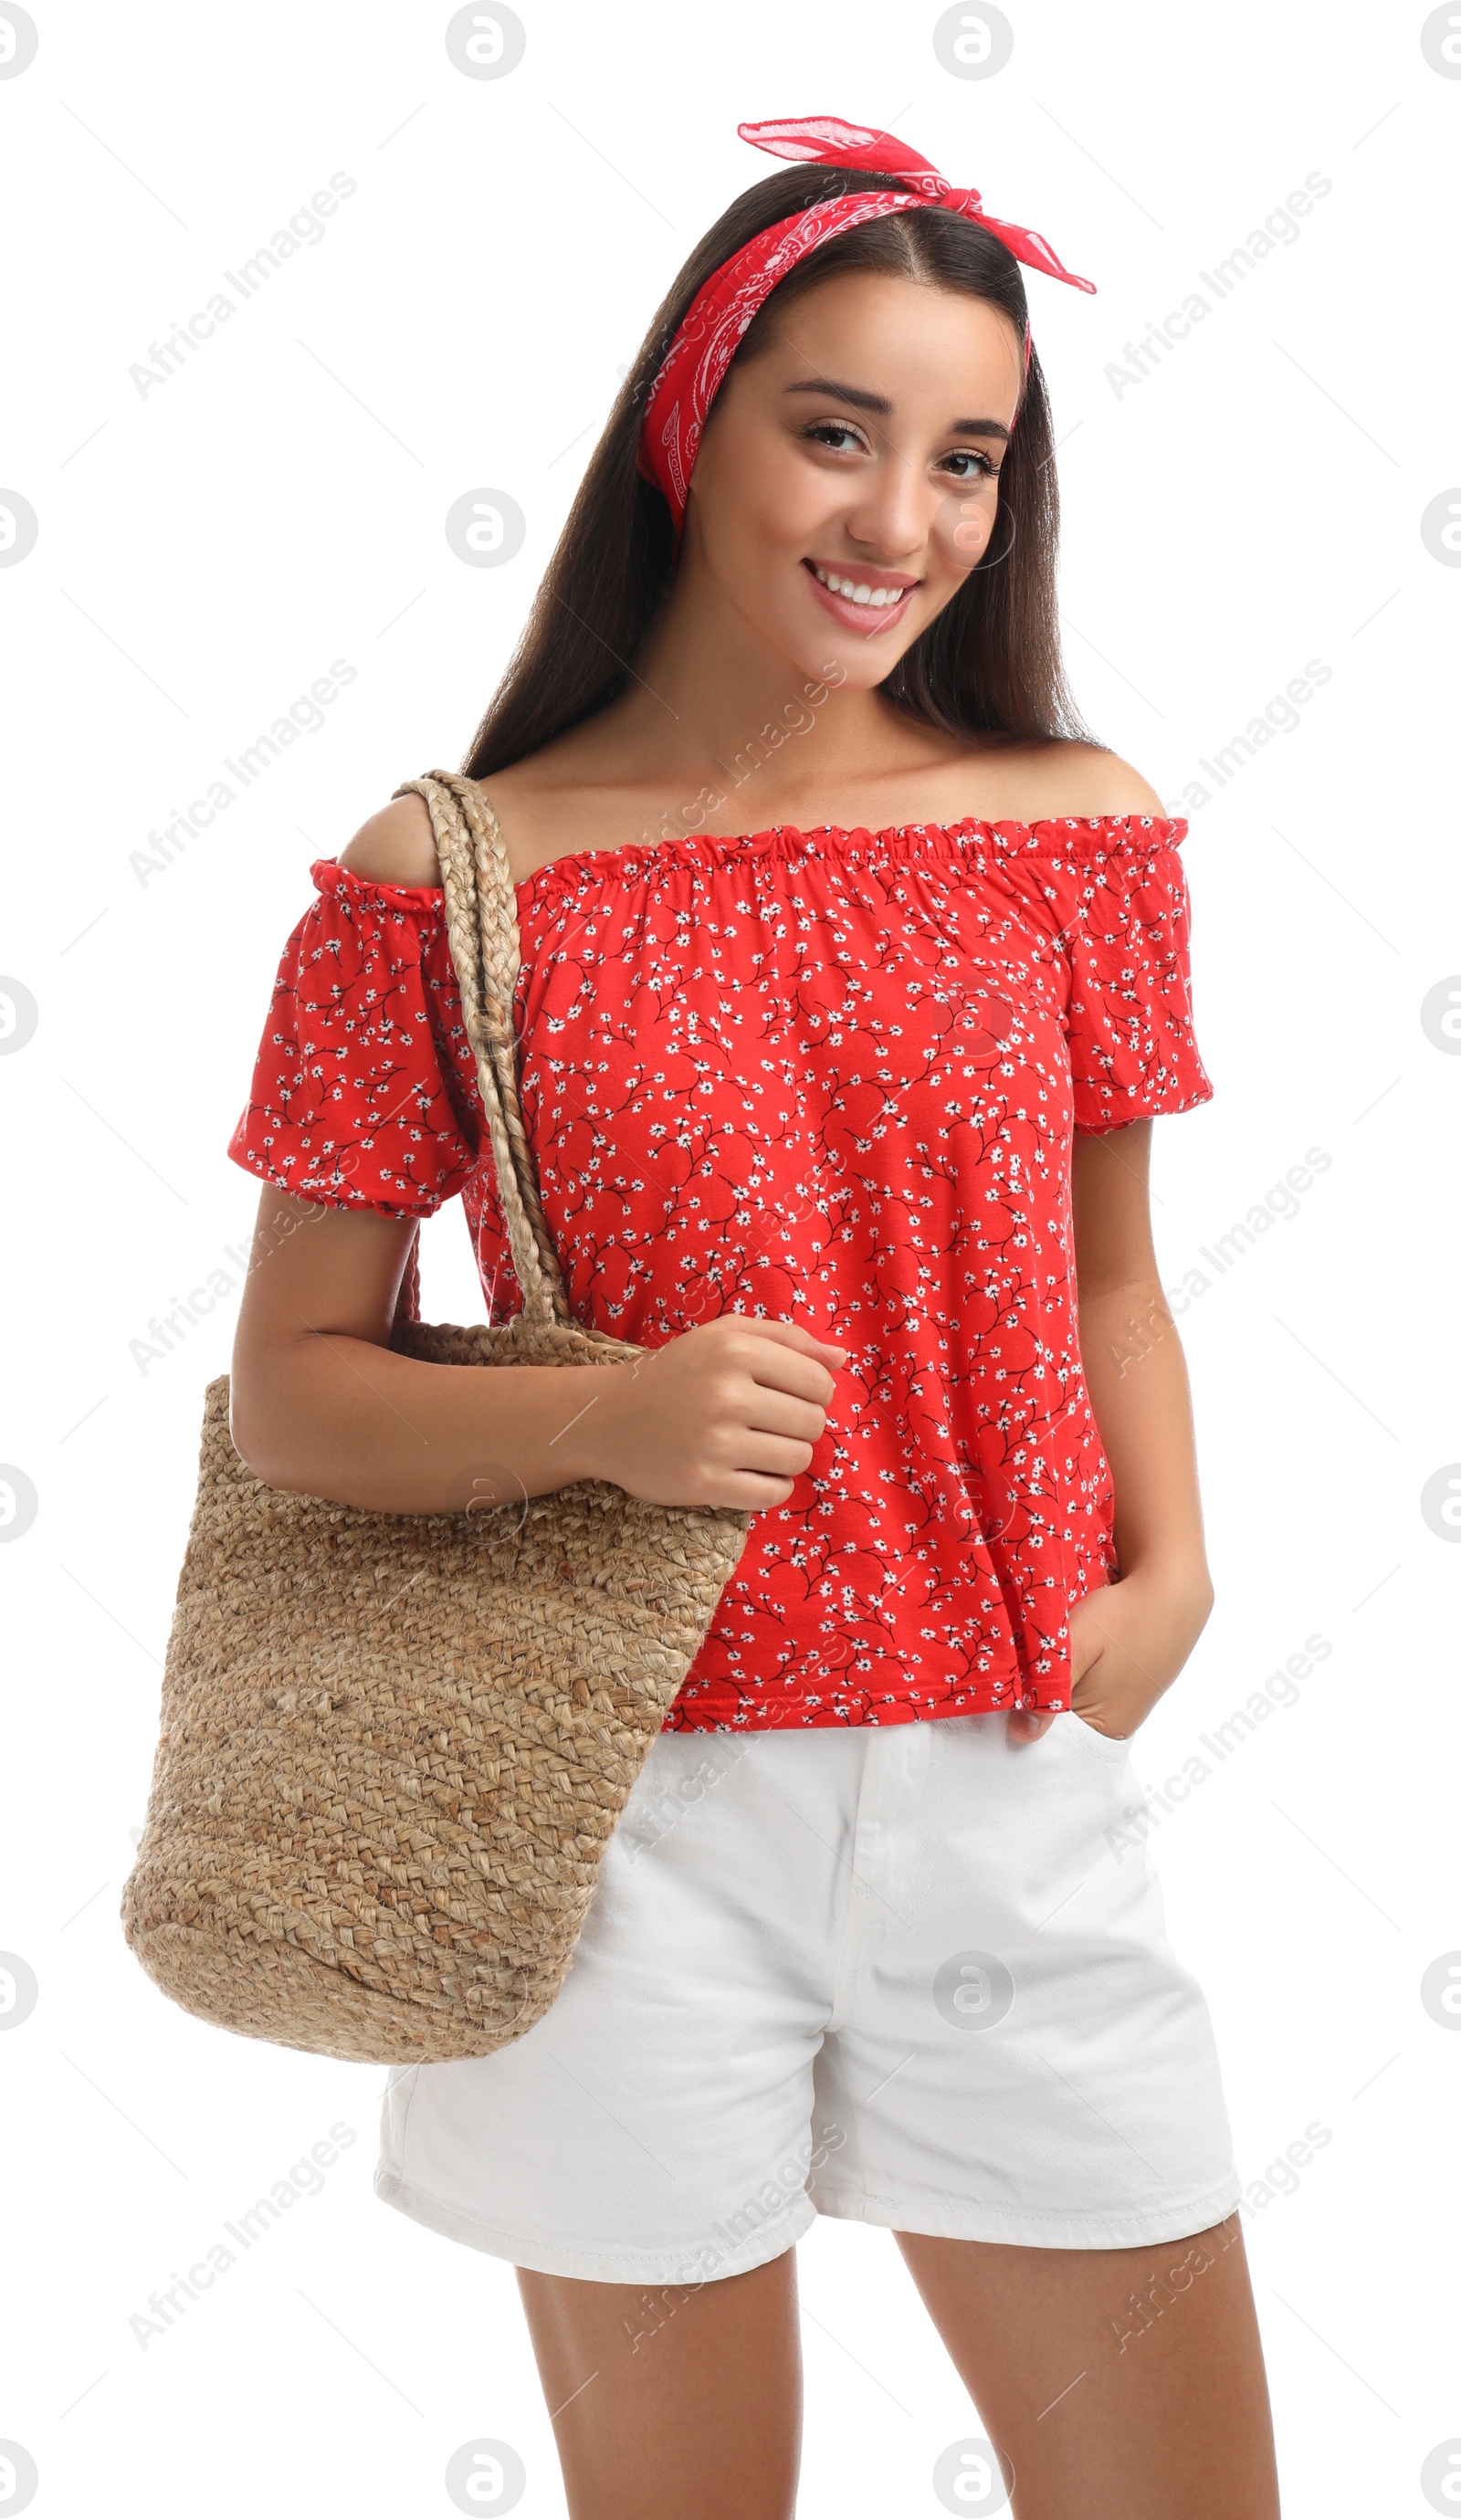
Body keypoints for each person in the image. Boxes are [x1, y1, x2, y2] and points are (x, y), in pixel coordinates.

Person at [228, 116, 1280, 2520]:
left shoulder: (1066, 826)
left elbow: (1113, 1267)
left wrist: (1172, 1575)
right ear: (692, 421)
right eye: (837, 430)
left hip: (1008, 1785)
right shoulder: (446, 877)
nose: (901, 523)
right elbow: (294, 1397)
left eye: (969, 460)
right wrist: (608, 1423)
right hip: (597, 1816)